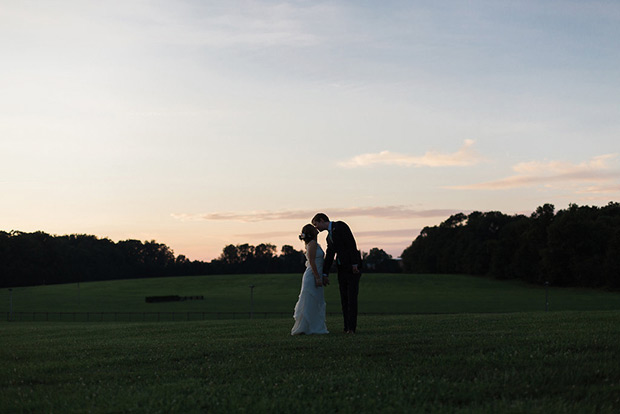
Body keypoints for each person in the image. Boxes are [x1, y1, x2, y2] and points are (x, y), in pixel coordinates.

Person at [312, 213, 362, 334]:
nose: (316, 228)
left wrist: (354, 263)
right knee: (344, 298)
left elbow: (351, 244)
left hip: (352, 267)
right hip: (341, 268)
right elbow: (330, 255)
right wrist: (325, 273)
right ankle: (346, 327)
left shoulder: (340, 226)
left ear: (322, 220)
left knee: (351, 298)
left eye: (316, 224)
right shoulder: (329, 237)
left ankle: (352, 328)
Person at [291, 224, 329, 335]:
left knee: (316, 301)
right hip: (312, 275)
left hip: (316, 274)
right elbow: (312, 262)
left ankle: (314, 327)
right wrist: (317, 277)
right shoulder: (312, 244)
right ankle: (306, 327)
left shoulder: (314, 244)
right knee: (309, 301)